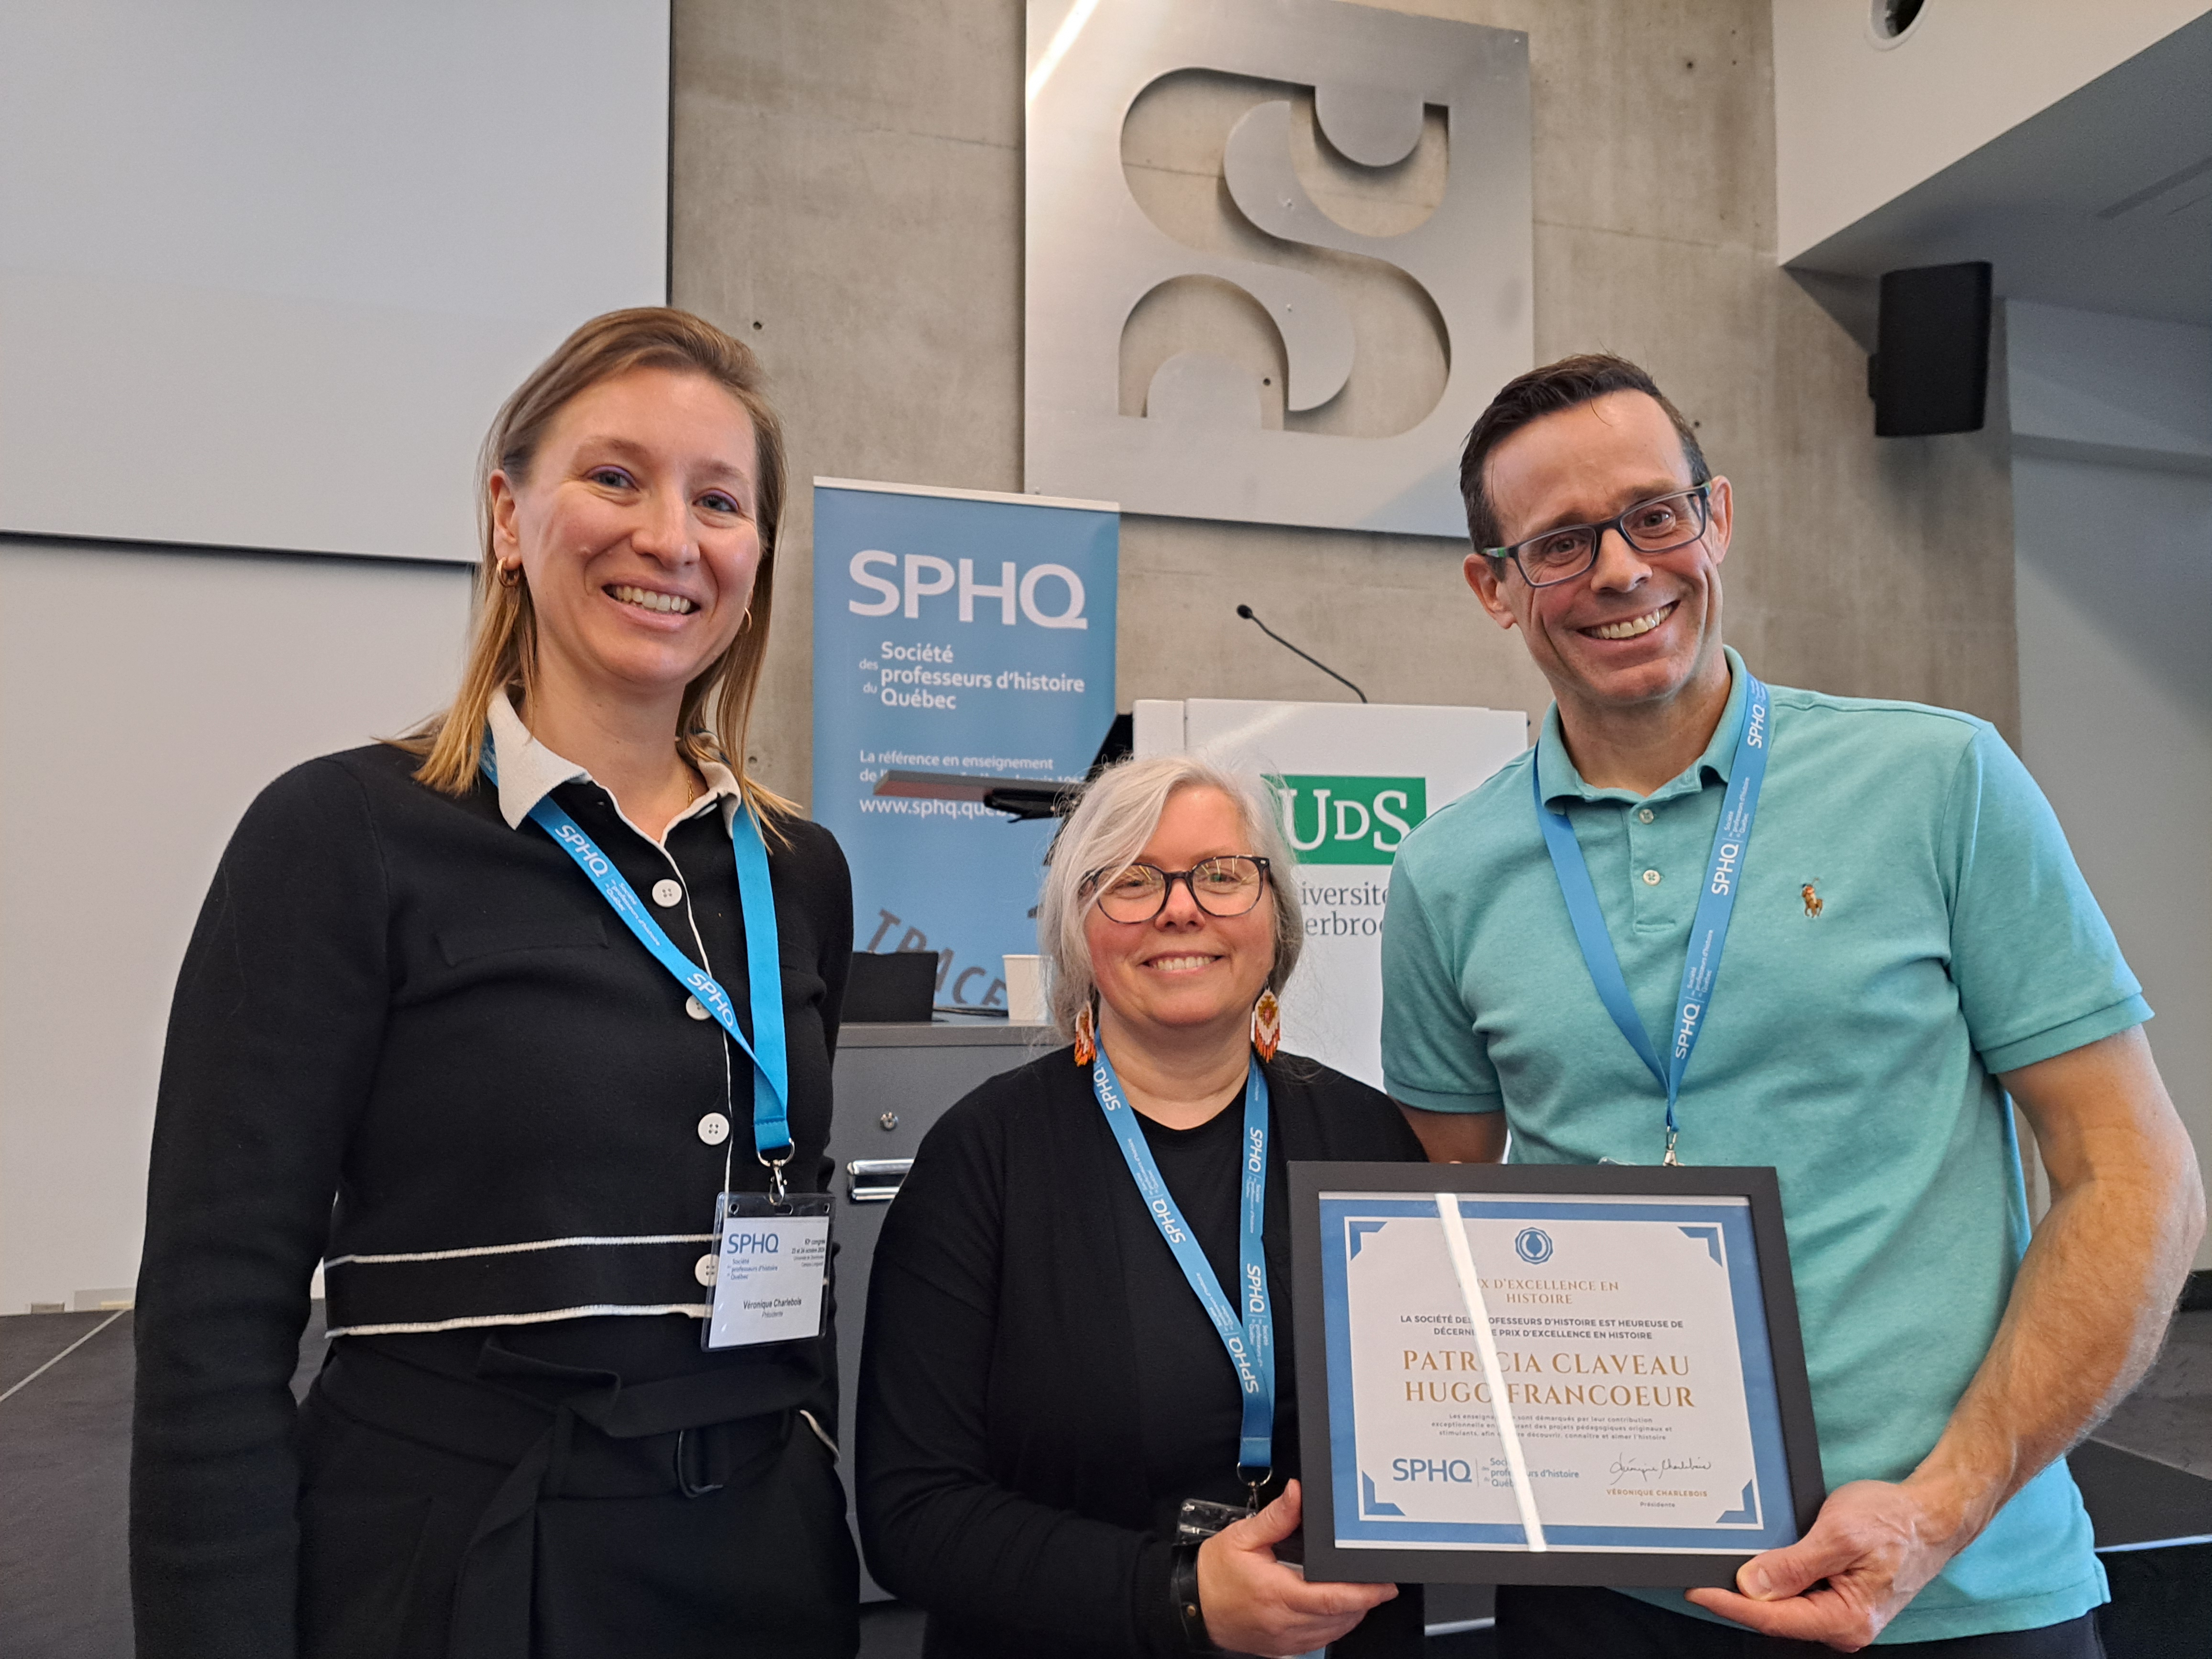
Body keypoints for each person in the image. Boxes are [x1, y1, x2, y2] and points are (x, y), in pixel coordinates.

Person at [1379, 353, 2205, 1655]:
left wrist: (1941, 1508)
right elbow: (1454, 1212)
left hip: (1953, 1590)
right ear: (1494, 586)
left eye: (1655, 514)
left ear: (1716, 517)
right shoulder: (1444, 872)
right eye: (1559, 543)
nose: (1620, 570)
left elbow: (2130, 1171)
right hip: (1600, 1592)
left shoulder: (1938, 781)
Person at [130, 309, 860, 1658]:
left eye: (719, 500)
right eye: (616, 477)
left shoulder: (797, 870)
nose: (671, 537)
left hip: (761, 1557)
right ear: (509, 517)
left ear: (757, 555)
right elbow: (210, 1323)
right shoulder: (342, 836)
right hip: (459, 1562)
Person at [857, 755, 1427, 1657]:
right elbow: (913, 1514)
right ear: (1077, 929)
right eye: (1131, 880)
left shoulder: (1367, 1137)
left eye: (1222, 875)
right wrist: (1181, 1596)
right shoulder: (984, 1156)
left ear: (1276, 919)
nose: (1180, 908)